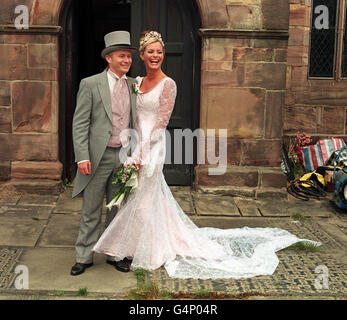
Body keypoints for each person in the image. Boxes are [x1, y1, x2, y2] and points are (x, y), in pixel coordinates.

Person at [93, 31, 320, 279]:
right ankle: (132, 243)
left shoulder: (168, 84)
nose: (155, 56)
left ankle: (128, 251)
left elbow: (160, 123)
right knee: (134, 196)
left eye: (159, 51)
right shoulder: (136, 83)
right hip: (133, 144)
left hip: (152, 147)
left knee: (143, 197)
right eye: (150, 52)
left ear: (163, 54)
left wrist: (142, 155)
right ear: (143, 55)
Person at [70, 31, 138, 276]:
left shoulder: (135, 85)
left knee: (117, 208)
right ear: (108, 58)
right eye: (122, 56)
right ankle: (84, 256)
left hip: (124, 157)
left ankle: (114, 253)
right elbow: (80, 123)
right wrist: (82, 156)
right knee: (90, 209)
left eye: (129, 56)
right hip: (97, 157)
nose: (127, 60)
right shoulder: (90, 84)